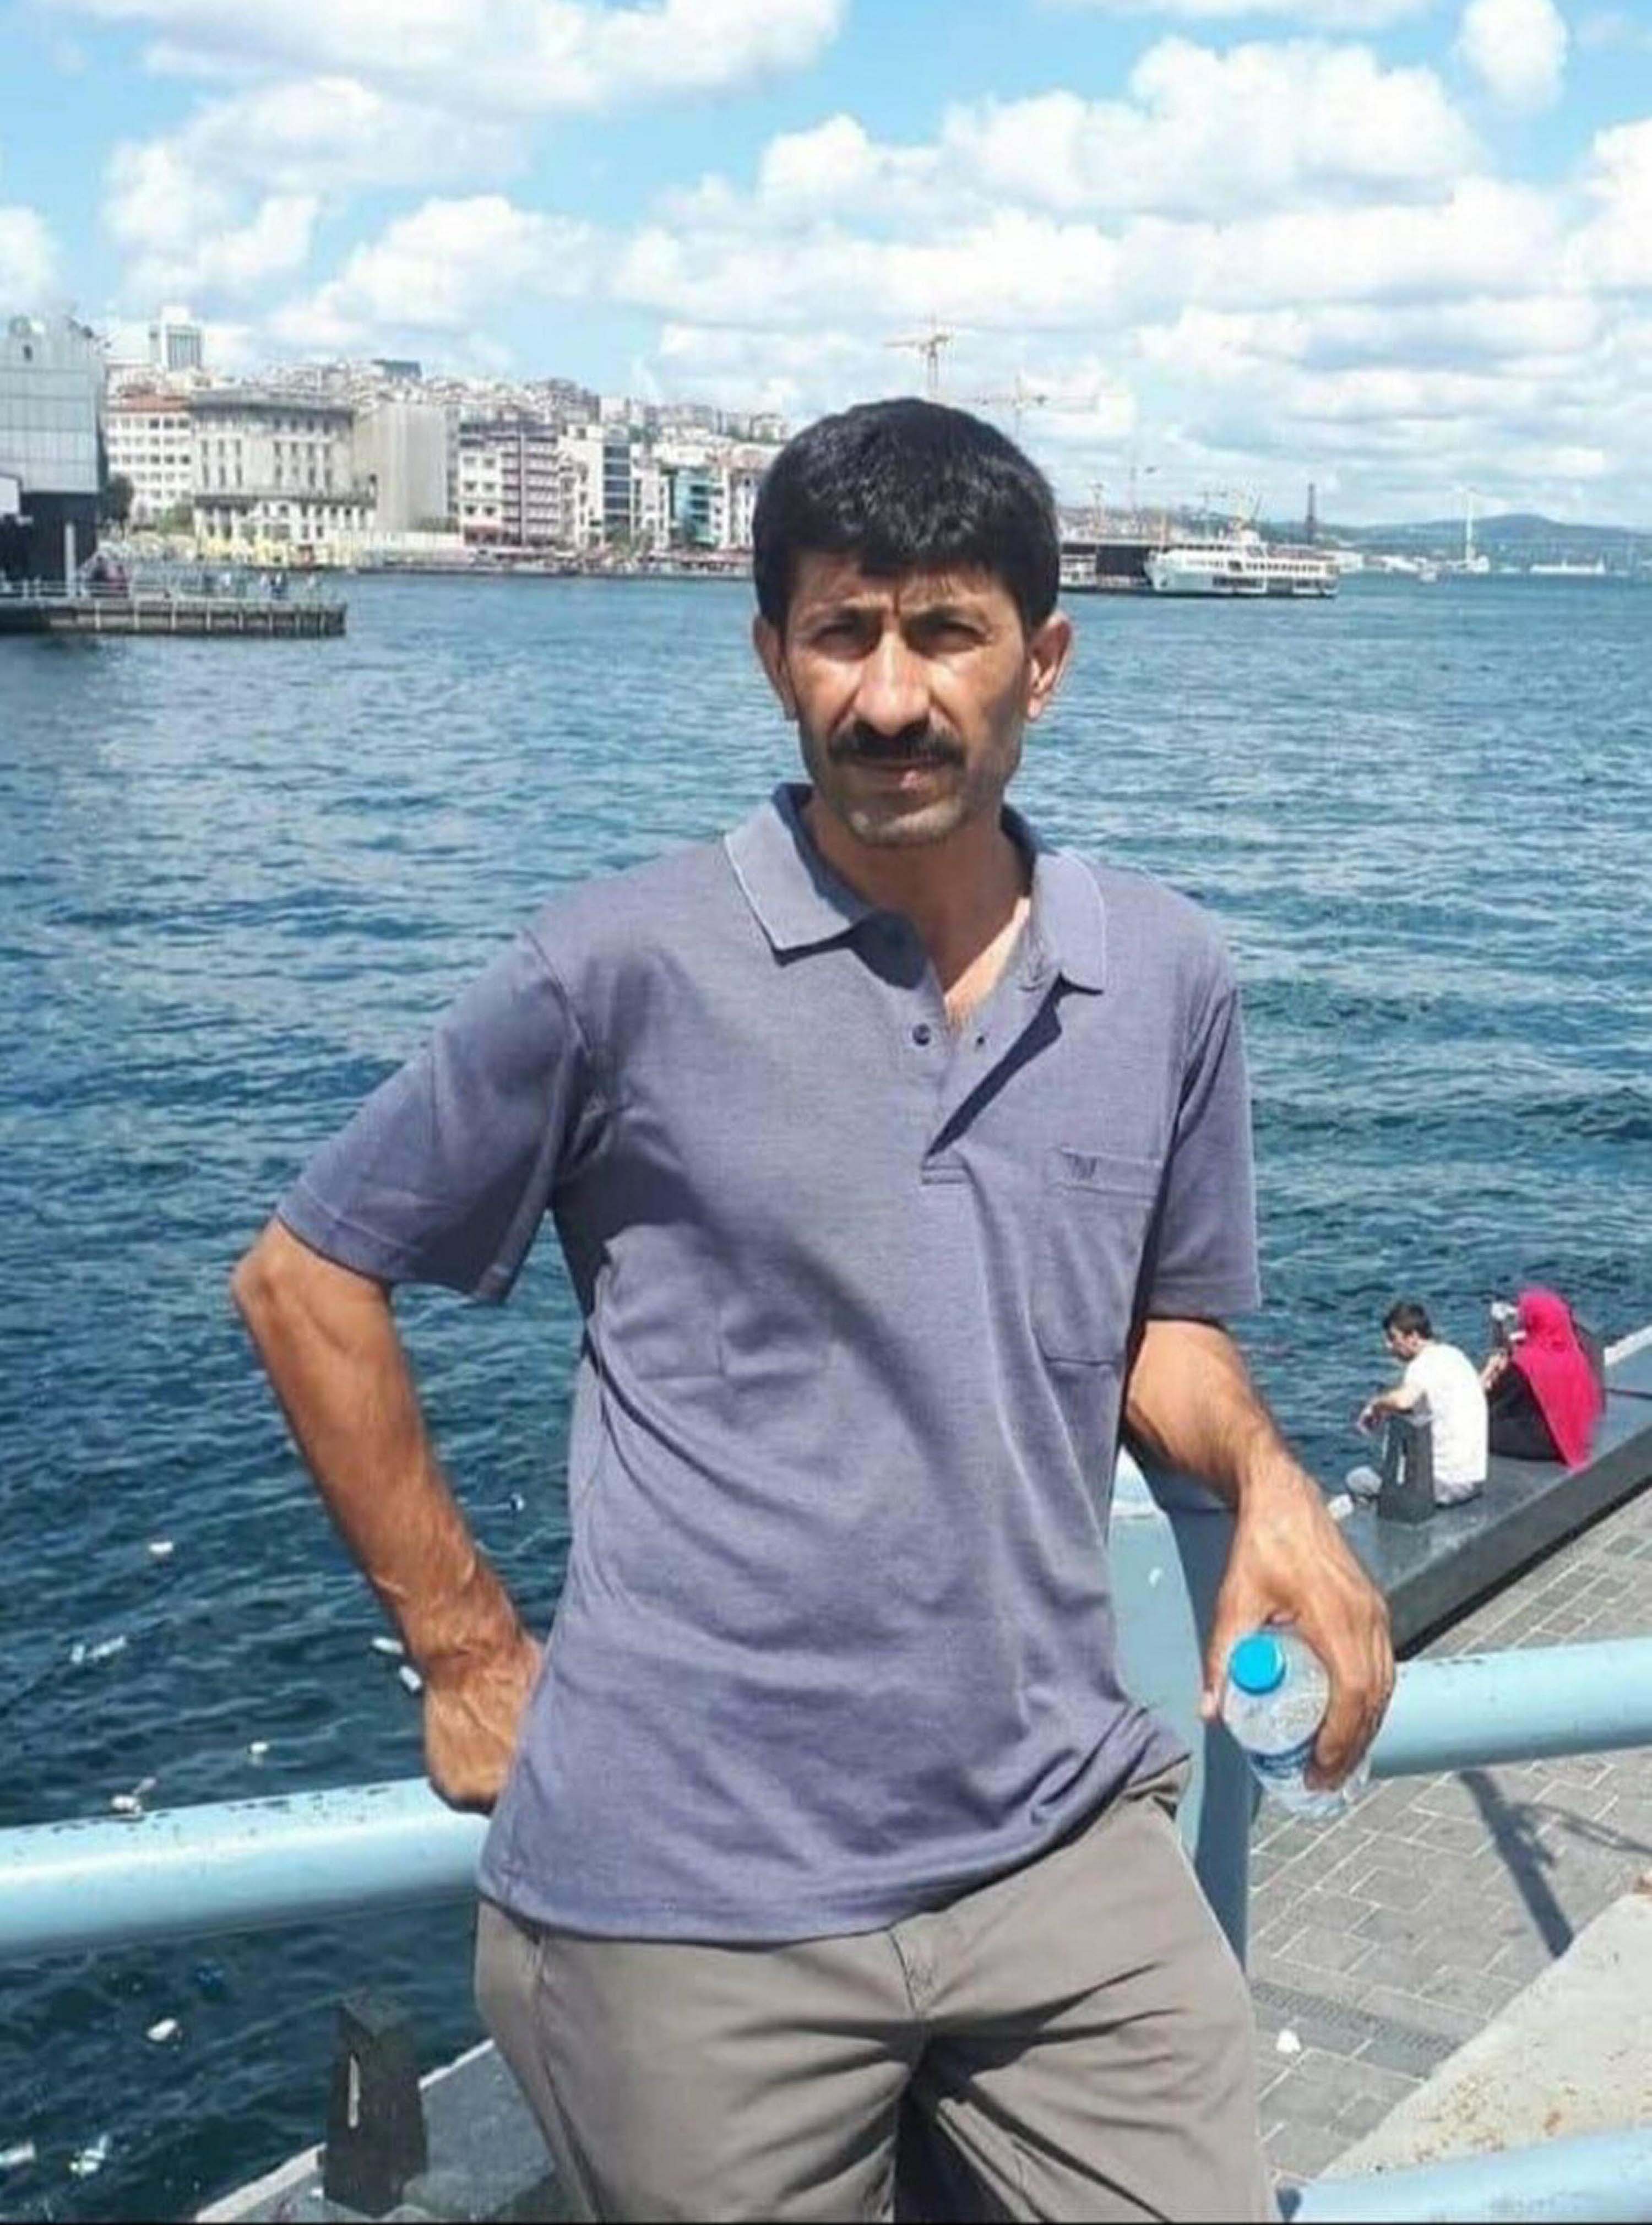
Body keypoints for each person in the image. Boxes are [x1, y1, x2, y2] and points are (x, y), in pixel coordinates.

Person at [232, 399, 1392, 2223]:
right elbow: (306, 1279)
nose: (892, 696)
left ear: (1045, 662)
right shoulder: (620, 967)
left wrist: (1271, 1484)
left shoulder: (1165, 973)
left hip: (1058, 1843)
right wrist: (465, 1654)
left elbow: (1162, 1331)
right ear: (773, 655)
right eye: (844, 632)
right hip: (688, 1901)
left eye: (948, 633)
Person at [1347, 1299, 1488, 1507]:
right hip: (1473, 1479)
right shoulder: (1455, 1356)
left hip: (1444, 1484)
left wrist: (1376, 1405)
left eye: (1393, 1338)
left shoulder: (1422, 1365)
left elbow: (1404, 1401)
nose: (1388, 1346)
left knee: (1357, 1479)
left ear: (1413, 1337)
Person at [1481, 1286, 1604, 1466]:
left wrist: (1490, 1371)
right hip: (1576, 1433)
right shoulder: (1572, 1351)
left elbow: (1490, 1404)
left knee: (1476, 1428)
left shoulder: (1527, 1363)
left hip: (1545, 1441)